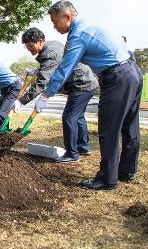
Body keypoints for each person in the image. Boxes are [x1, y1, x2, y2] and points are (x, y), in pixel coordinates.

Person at [36, 0, 143, 190]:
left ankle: (107, 179)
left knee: (109, 129)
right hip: (132, 71)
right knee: (130, 126)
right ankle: (126, 171)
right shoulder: (90, 23)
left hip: (117, 76)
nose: (54, 26)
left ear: (67, 17)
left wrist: (46, 94)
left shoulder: (78, 34)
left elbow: (65, 67)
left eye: (55, 21)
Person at [13, 27, 98, 162]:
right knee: (78, 115)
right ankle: (83, 146)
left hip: (81, 82)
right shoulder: (52, 45)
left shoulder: (49, 54)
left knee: (69, 117)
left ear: (40, 42)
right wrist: (40, 69)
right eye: (27, 47)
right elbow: (55, 65)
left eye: (30, 46)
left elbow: (41, 83)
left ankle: (72, 154)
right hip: (86, 80)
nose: (29, 49)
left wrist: (22, 101)